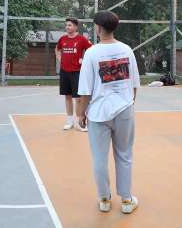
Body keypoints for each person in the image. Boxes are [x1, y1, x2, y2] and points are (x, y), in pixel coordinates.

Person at [77, 11, 140, 214]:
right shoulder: (127, 50)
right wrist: (129, 103)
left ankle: (104, 198)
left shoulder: (92, 53)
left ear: (98, 28)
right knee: (124, 155)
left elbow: (85, 90)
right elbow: (135, 84)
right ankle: (127, 200)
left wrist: (81, 113)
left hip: (98, 112)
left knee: (99, 157)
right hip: (124, 109)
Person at [55, 17, 92, 131]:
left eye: (70, 25)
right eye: (66, 25)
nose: (67, 27)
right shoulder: (63, 39)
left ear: (76, 27)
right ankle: (70, 121)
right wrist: (60, 59)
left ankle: (79, 121)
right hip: (65, 71)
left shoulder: (82, 39)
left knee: (78, 98)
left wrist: (84, 61)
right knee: (67, 97)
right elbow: (57, 49)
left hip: (77, 72)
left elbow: (91, 50)